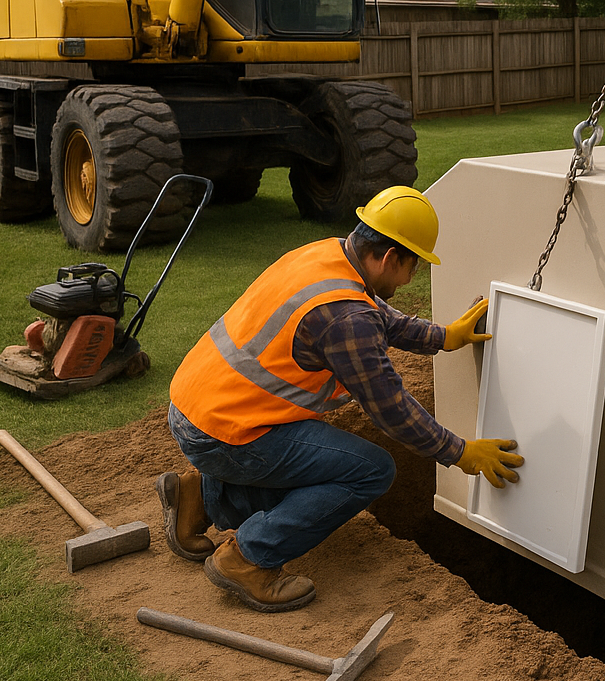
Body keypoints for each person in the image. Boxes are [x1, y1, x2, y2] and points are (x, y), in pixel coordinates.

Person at [155, 185, 525, 610]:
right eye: (413, 268)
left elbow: (374, 312)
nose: (410, 280)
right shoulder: (347, 318)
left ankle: (197, 499)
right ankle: (248, 559)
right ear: (389, 258)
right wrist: (459, 452)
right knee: (369, 470)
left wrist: (443, 337)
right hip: (223, 434)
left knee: (309, 453)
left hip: (197, 405)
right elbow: (391, 409)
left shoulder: (327, 255)